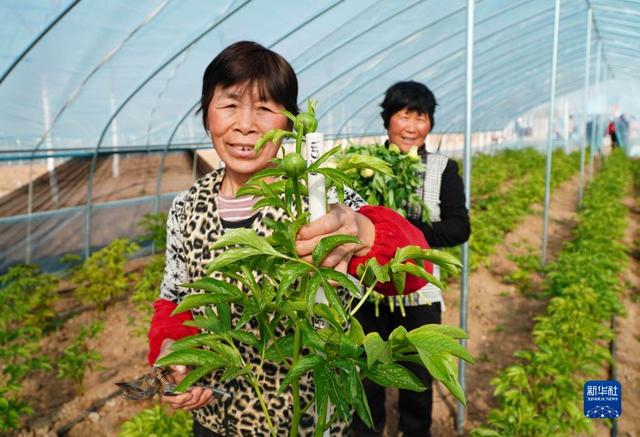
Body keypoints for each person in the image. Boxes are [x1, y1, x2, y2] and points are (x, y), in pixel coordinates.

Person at [147, 42, 435, 436]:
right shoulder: (186, 207)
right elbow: (175, 298)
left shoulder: (317, 198)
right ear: (206, 113)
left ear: (289, 122)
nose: (246, 124)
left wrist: (364, 231)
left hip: (309, 421)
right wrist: (174, 355)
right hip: (217, 420)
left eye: (265, 108)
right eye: (229, 104)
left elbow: (418, 266)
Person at [352, 81, 471, 437]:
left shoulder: (442, 169)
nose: (412, 126)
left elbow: (458, 227)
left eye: (421, 118)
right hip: (367, 291)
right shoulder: (364, 167)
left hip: (418, 293)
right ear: (388, 120)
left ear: (430, 123)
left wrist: (408, 234)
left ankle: (415, 432)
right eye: (404, 116)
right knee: (367, 376)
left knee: (417, 378)